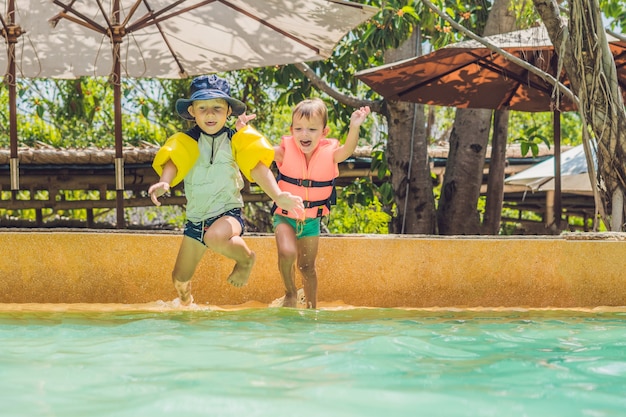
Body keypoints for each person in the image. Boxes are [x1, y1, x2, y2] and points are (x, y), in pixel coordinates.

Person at [148, 75, 303, 306]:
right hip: (195, 222)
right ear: (192, 111)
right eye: (203, 108)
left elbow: (258, 168)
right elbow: (173, 162)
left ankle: (246, 261)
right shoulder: (185, 141)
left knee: (214, 237)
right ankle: (187, 303)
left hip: (228, 215)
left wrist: (278, 195)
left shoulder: (235, 140)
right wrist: (165, 182)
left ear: (228, 110)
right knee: (179, 279)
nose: (210, 114)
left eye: (217, 108)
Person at [272, 98, 371, 308]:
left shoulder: (332, 155)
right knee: (286, 253)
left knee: (307, 266)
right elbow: (258, 149)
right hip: (284, 216)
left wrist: (354, 126)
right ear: (291, 130)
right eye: (298, 129)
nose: (304, 134)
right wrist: (243, 132)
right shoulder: (284, 151)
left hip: (311, 221)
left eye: (311, 129)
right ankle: (290, 293)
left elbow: (348, 150)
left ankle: (311, 308)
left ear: (324, 132)